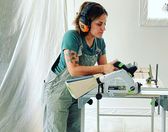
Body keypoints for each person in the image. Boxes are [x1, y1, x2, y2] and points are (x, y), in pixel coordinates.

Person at [43, 1, 115, 132]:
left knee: (75, 129)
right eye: (99, 24)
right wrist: (104, 68)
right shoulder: (72, 37)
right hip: (58, 91)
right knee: (56, 129)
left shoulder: (100, 42)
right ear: (85, 23)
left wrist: (115, 69)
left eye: (105, 24)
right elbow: (74, 70)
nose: (103, 28)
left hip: (78, 91)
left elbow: (104, 68)